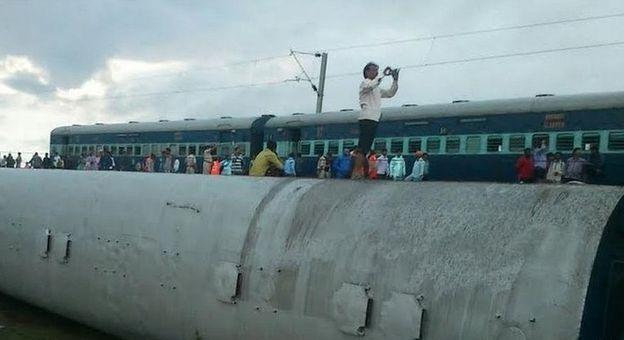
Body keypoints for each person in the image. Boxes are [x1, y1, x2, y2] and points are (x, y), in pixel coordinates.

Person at [358, 62, 399, 155]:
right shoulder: (364, 83)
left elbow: (390, 93)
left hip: (374, 118)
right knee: (363, 145)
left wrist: (395, 80)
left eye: (377, 70)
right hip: (366, 117)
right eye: (374, 70)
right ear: (367, 71)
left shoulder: (377, 89)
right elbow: (371, 85)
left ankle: (361, 163)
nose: (376, 72)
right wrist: (383, 75)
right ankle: (358, 164)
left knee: (367, 145)